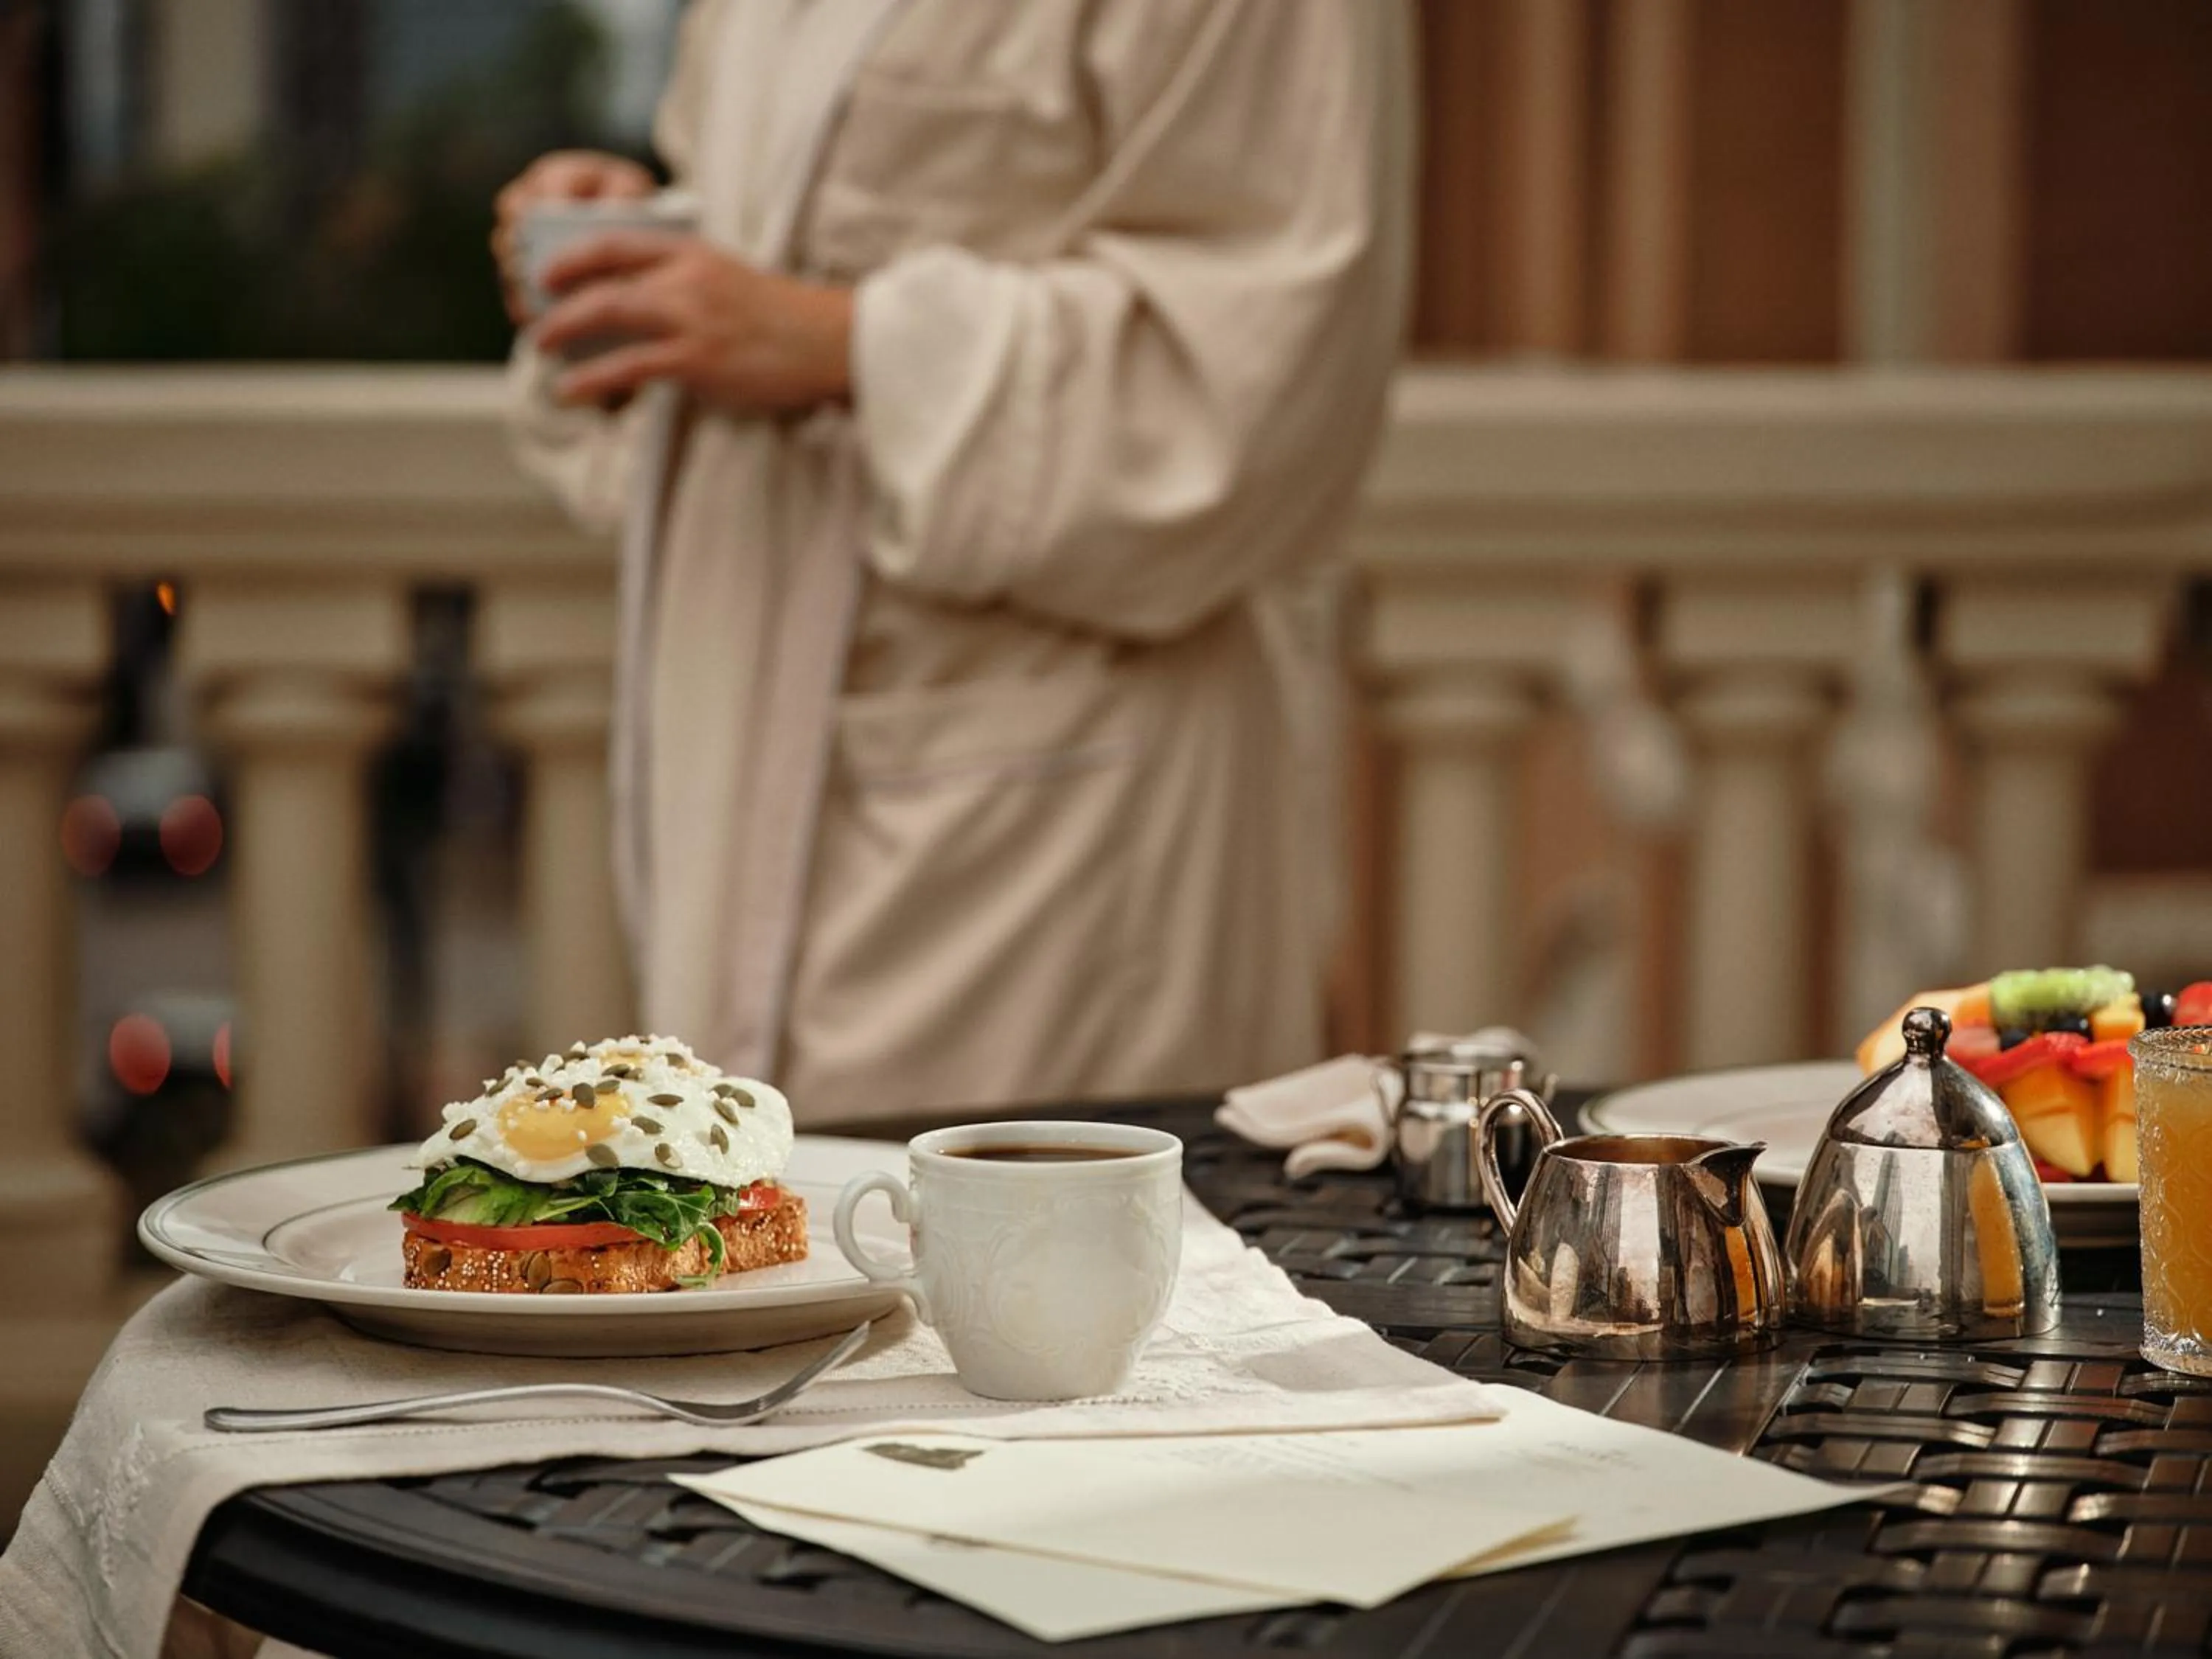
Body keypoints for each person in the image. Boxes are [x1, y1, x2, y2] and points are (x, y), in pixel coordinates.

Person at [496, 0, 1412, 1121]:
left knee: (1047, 1265)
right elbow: (808, 221)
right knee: (788, 1257)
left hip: (1062, 826)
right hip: (744, 749)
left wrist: (833, 344)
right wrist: (650, 258)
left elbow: (1271, 371)